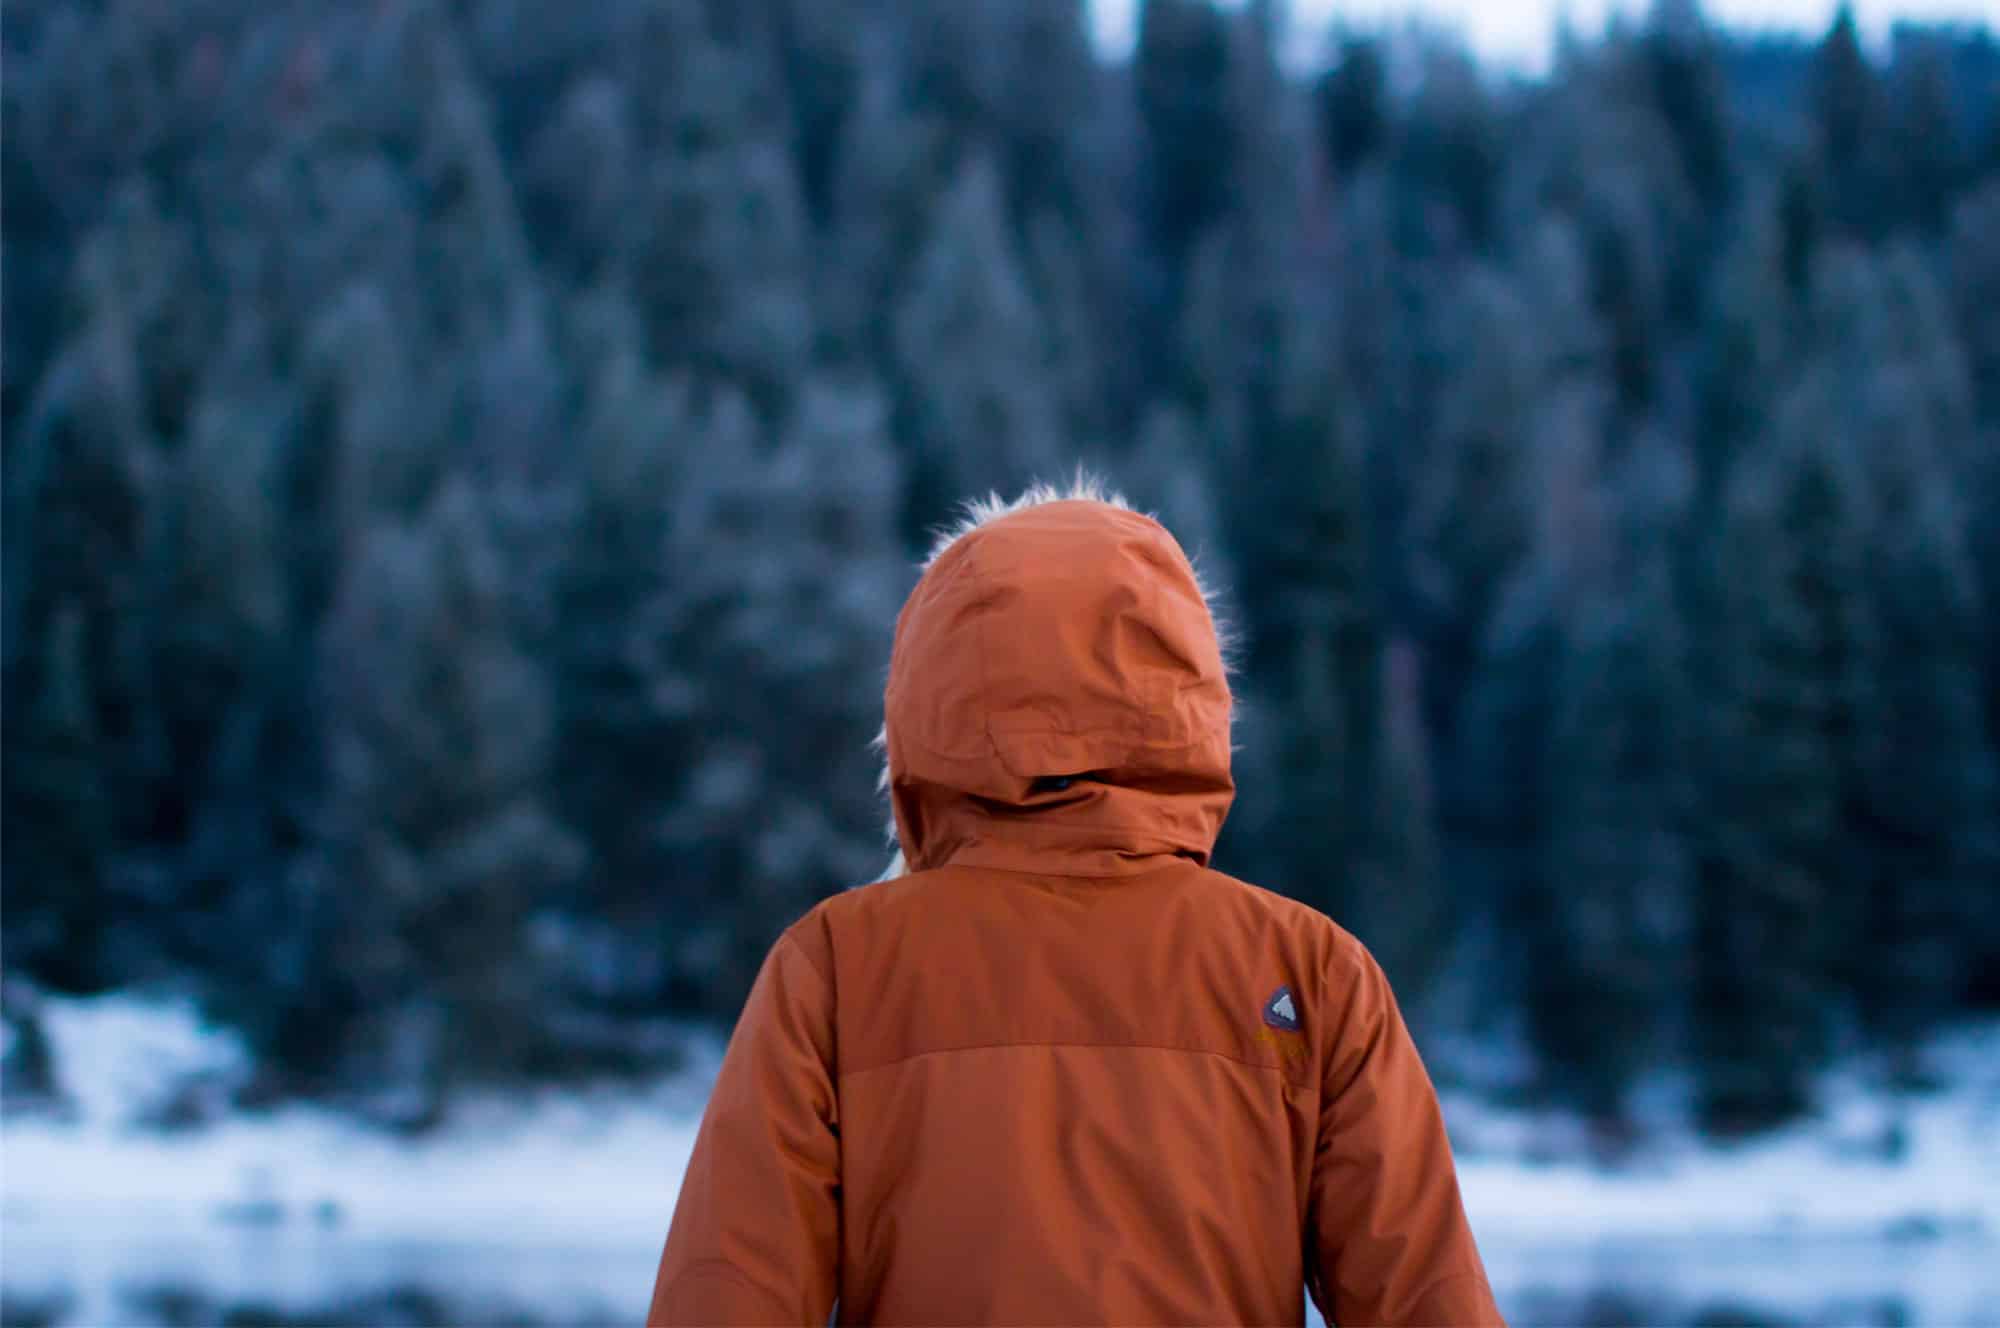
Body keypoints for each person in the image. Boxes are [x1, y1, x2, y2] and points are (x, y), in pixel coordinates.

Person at [647, 478, 1503, 1327]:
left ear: (928, 701)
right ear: (1189, 697)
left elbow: (726, 1297)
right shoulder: (1309, 970)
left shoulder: (837, 966)